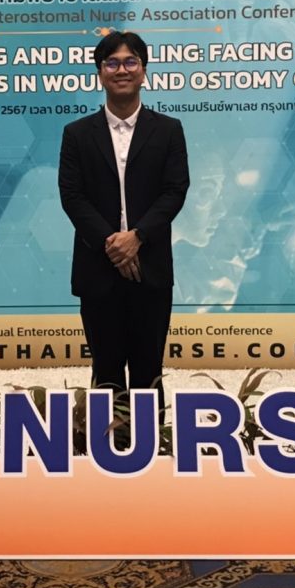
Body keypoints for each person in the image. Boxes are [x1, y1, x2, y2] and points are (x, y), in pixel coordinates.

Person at [58, 31, 189, 408]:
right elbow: (72, 196)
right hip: (97, 269)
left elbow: (175, 190)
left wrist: (138, 237)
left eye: (131, 61)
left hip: (151, 268)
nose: (122, 70)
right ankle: (109, 443)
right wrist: (113, 244)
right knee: (106, 371)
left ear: (143, 71)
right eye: (112, 63)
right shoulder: (77, 134)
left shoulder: (168, 130)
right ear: (100, 72)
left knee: (149, 371)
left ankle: (151, 444)